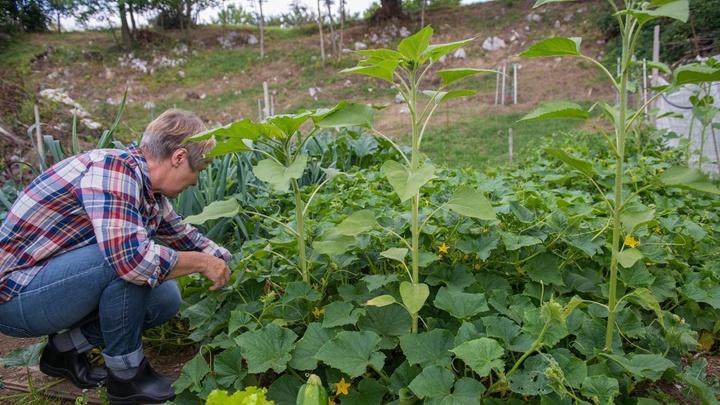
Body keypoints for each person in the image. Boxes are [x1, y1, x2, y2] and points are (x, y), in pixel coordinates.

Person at [0, 109, 231, 404]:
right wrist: (201, 263)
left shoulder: (146, 187)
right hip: (14, 297)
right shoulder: (111, 171)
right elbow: (131, 261)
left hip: (48, 286)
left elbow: (183, 235)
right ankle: (126, 377)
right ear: (178, 157)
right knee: (124, 261)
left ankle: (64, 350)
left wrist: (228, 260)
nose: (196, 181)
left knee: (165, 299)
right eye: (196, 170)